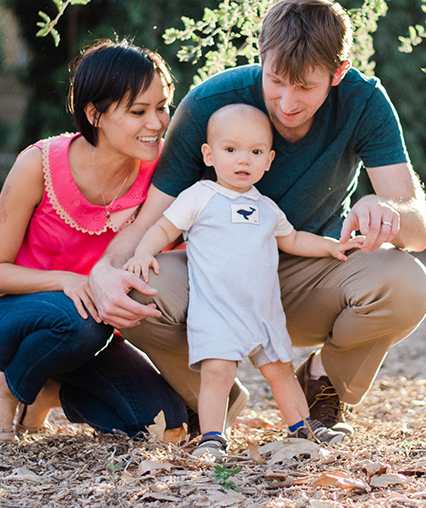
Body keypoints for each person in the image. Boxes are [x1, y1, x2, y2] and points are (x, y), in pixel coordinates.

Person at [88, 0, 426, 435]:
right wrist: (104, 270)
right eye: (276, 81)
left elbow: (419, 231)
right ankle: (213, 397)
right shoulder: (210, 103)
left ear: (338, 73)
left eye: (306, 86)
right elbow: (152, 217)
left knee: (407, 283)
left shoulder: (363, 101)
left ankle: (324, 383)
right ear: (261, 56)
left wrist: (386, 207)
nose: (287, 102)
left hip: (313, 276)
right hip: (216, 283)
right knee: (131, 289)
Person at [0, 40, 186, 444]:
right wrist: (66, 280)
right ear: (94, 113)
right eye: (138, 111)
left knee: (165, 424)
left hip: (89, 328)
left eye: (161, 106)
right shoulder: (39, 164)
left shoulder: (163, 170)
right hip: (6, 318)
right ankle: (7, 391)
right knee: (80, 319)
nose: (156, 122)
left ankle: (47, 391)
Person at [124, 104, 364, 458]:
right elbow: (163, 226)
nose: (243, 160)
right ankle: (212, 437)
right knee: (217, 373)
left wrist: (332, 247)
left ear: (268, 160)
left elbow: (294, 239)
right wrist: (144, 251)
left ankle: (302, 427)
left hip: (263, 312)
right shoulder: (200, 197)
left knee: (280, 371)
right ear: (209, 154)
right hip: (217, 309)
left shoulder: (267, 207)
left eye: (254, 152)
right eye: (231, 149)